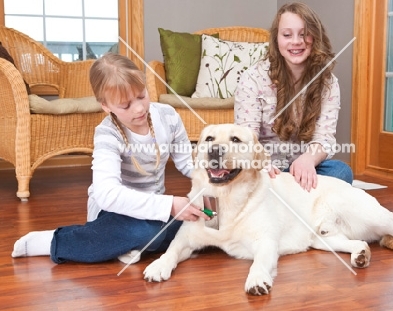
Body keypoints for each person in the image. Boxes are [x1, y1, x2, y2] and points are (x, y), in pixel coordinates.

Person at [12, 52, 209, 264]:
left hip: (153, 208)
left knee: (204, 221)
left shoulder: (168, 116)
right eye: (125, 105)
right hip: (112, 211)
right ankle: (52, 241)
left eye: (142, 95)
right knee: (144, 231)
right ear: (105, 106)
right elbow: (107, 194)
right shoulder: (107, 134)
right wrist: (169, 205)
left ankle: (128, 246)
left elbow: (187, 163)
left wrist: (213, 178)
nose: (140, 108)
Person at [234, 2, 353, 192]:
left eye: (304, 34)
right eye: (287, 35)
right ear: (276, 39)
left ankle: (287, 197)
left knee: (341, 172)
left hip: (305, 168)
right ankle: (296, 198)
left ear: (315, 37)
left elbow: (324, 139)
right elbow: (246, 137)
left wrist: (307, 160)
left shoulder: (329, 83)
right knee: (244, 176)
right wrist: (262, 164)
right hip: (265, 168)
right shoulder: (252, 79)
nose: (296, 41)